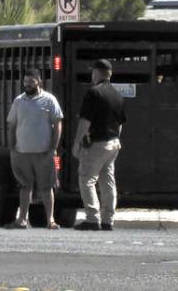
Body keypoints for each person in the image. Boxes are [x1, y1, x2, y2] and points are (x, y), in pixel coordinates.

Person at [71, 59, 126, 231]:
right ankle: (108, 219)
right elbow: (120, 122)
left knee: (86, 179)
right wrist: (116, 138)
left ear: (97, 73)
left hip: (97, 143)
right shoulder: (118, 95)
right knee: (107, 181)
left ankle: (92, 218)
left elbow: (85, 121)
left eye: (93, 71)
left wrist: (77, 143)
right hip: (113, 143)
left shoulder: (93, 93)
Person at [5, 69, 64, 230]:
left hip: (44, 152)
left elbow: (57, 124)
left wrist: (53, 147)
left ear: (39, 82)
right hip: (22, 152)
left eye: (31, 81)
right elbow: (12, 125)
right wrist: (12, 147)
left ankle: (50, 220)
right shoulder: (18, 101)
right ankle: (22, 220)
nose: (27, 84)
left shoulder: (49, 100)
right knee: (25, 186)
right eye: (25, 81)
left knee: (46, 187)